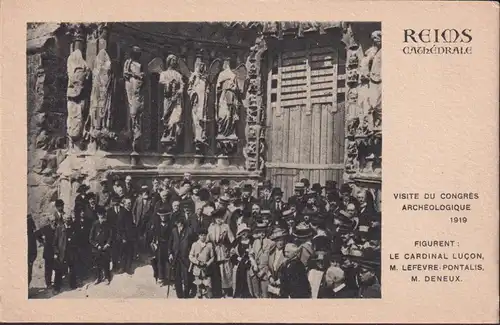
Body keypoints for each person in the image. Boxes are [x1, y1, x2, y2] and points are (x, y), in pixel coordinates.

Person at [208, 208, 234, 298]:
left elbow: (231, 239)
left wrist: (233, 248)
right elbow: (208, 240)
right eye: (217, 218)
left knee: (225, 270)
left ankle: (226, 290)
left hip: (223, 250)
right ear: (214, 218)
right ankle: (216, 291)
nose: (219, 219)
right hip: (214, 250)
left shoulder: (225, 227)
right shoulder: (211, 227)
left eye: (221, 217)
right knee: (216, 270)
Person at [53, 214, 81, 292]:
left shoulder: (74, 228)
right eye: (66, 219)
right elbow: (54, 242)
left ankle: (73, 285)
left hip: (72, 252)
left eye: (69, 219)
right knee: (59, 271)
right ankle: (56, 288)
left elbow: (77, 240)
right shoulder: (59, 229)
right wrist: (56, 252)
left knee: (72, 269)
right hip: (62, 253)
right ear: (64, 220)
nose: (68, 220)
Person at [169, 217, 193, 298]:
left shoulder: (189, 231)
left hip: (185, 257)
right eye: (177, 223)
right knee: (177, 277)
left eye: (180, 222)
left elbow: (192, 243)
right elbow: (170, 243)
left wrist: (190, 253)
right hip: (176, 257)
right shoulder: (174, 231)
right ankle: (179, 295)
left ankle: (186, 294)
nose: (179, 224)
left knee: (186, 277)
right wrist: (170, 253)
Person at [89, 206, 113, 285]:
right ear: (97, 215)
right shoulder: (95, 224)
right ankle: (98, 278)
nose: (101, 216)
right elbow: (91, 238)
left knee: (106, 263)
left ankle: (107, 277)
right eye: (100, 214)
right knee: (97, 264)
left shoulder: (107, 224)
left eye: (102, 214)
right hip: (97, 248)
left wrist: (108, 244)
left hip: (105, 247)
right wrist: (96, 245)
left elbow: (110, 235)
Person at [248, 222, 272, 298]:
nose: (261, 234)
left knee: (265, 294)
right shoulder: (255, 242)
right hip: (255, 270)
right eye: (259, 232)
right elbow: (251, 255)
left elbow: (270, 259)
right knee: (256, 294)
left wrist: (263, 270)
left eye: (263, 232)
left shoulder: (270, 243)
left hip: (264, 271)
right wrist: (254, 264)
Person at [189, 228, 215, 298]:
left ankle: (208, 294)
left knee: (209, 287)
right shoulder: (195, 244)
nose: (203, 237)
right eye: (201, 235)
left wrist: (207, 264)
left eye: (204, 235)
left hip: (206, 269)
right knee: (199, 288)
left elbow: (212, 257)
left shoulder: (209, 245)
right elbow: (191, 256)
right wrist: (197, 262)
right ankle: (199, 294)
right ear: (198, 236)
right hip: (197, 269)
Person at [149, 208, 171, 286]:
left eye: (164, 216)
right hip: (159, 246)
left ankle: (169, 278)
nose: (163, 218)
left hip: (168, 245)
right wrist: (154, 243)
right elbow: (154, 235)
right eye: (161, 216)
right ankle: (160, 278)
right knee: (160, 261)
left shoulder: (170, 225)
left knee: (168, 261)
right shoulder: (157, 225)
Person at [231, 223, 253, 298]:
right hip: (239, 265)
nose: (243, 233)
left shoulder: (252, 241)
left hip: (249, 265)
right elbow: (232, 254)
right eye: (241, 232)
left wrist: (249, 260)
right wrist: (238, 258)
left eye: (245, 231)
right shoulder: (236, 242)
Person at [37, 214, 57, 288]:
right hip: (48, 251)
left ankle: (57, 282)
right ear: (49, 221)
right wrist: (42, 242)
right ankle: (48, 284)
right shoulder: (45, 228)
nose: (54, 222)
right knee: (48, 269)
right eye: (52, 221)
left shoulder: (57, 228)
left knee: (57, 267)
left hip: (56, 252)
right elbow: (37, 234)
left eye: (55, 221)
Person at [116, 197, 136, 274]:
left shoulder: (129, 212)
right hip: (125, 237)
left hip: (130, 236)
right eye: (128, 203)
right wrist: (124, 237)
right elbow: (120, 226)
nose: (129, 205)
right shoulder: (122, 213)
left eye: (130, 203)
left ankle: (128, 268)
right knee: (123, 252)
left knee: (130, 252)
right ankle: (122, 267)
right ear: (124, 204)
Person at [267, 227, 288, 298]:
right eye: (278, 240)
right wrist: (270, 277)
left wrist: (280, 280)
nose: (280, 242)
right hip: (271, 284)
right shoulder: (271, 252)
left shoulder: (286, 253)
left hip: (282, 285)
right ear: (275, 241)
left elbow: (288, 270)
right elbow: (266, 266)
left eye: (282, 240)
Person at [27, 214, 38, 287]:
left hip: (28, 260)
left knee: (28, 276)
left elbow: (34, 250)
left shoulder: (32, 236)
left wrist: (31, 260)